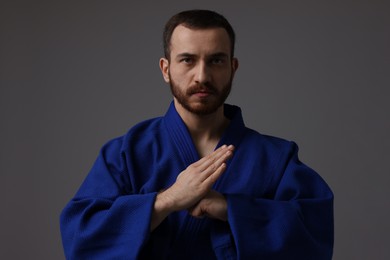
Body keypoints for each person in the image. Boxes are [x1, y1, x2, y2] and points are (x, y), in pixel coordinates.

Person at [60, 9, 333, 259]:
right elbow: (80, 239)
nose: (202, 76)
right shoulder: (126, 153)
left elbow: (314, 236)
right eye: (188, 60)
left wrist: (230, 209)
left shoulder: (276, 158)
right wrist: (168, 200)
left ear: (232, 68)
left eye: (215, 60)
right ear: (166, 69)